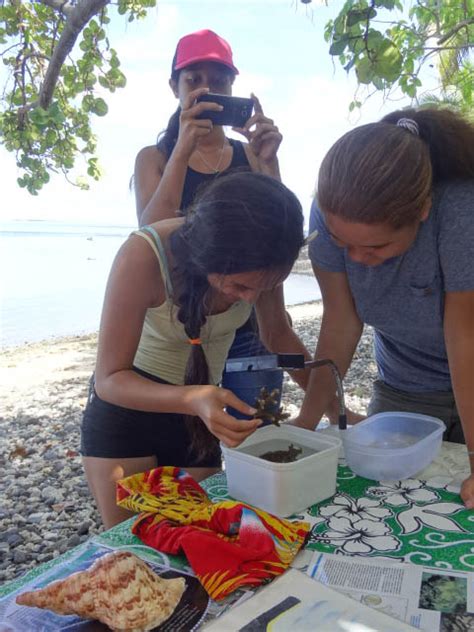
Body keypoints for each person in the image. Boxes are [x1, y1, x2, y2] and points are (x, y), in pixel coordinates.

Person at [81, 171, 309, 528]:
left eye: (263, 287)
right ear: (208, 255)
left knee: (197, 537)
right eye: (240, 285)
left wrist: (330, 403)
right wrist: (192, 398)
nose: (251, 298)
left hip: (196, 418)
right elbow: (109, 380)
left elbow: (278, 334)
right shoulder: (143, 254)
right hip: (127, 409)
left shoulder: (264, 258)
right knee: (132, 547)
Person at [295, 107, 474, 509]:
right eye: (344, 244)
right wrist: (304, 425)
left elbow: (464, 335)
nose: (357, 259)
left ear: (423, 211)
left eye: (375, 247)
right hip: (404, 388)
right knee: (382, 507)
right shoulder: (328, 211)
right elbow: (341, 321)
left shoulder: (462, 207)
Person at [133, 28, 285, 404]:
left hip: (244, 323)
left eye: (218, 81)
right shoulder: (154, 158)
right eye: (193, 79)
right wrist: (182, 151)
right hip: (177, 327)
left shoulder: (250, 156)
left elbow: (278, 233)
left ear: (232, 89)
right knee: (189, 449)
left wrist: (268, 163)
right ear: (175, 86)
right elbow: (151, 239)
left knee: (258, 439)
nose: (205, 88)